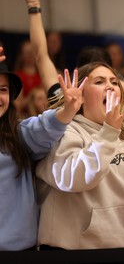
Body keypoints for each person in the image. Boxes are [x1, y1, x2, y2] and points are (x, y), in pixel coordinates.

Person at [35, 62, 124, 262]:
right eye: (99, 81)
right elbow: (76, 179)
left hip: (120, 253)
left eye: (114, 82)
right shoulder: (63, 132)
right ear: (80, 96)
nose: (110, 86)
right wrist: (108, 132)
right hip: (71, 255)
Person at [0, 47, 85, 251]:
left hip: (19, 253)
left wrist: (67, 110)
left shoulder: (18, 132)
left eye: (2, 90)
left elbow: (44, 128)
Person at [13, 39, 41, 113]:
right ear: (21, 55)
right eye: (27, 52)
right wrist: (31, 95)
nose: (30, 55)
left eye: (32, 52)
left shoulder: (42, 76)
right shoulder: (17, 76)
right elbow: (18, 104)